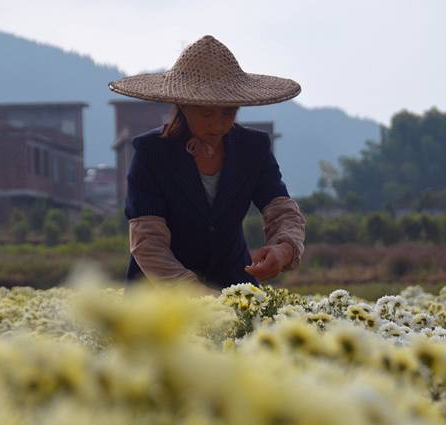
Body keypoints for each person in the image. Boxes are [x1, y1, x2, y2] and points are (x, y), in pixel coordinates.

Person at [108, 35, 306, 294]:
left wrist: (283, 249)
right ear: (183, 106)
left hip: (234, 287)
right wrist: (202, 300)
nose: (218, 124)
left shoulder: (252, 148)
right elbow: (148, 243)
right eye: (206, 113)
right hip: (159, 301)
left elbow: (282, 210)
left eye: (228, 112)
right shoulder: (152, 153)